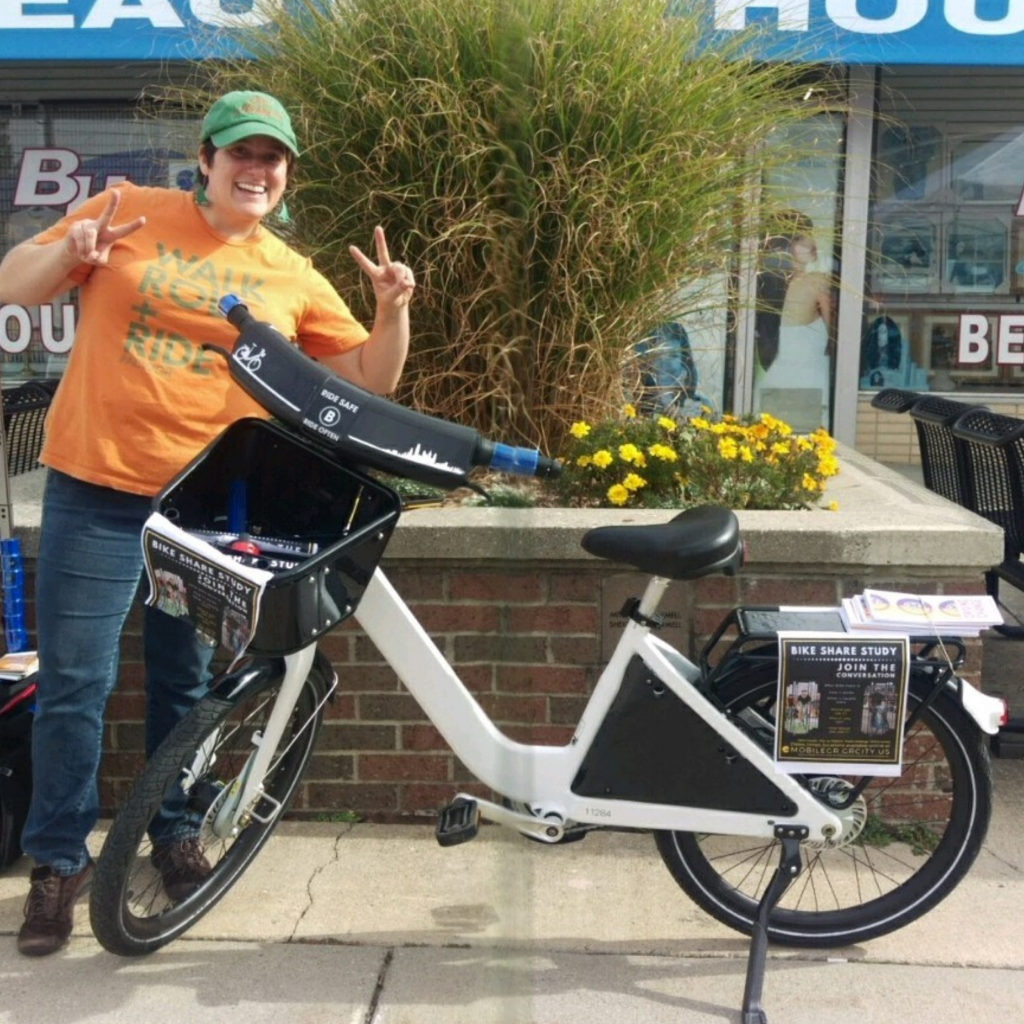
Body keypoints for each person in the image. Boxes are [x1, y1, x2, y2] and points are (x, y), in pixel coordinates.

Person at [0, 90, 415, 957]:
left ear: (285, 173)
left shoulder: (291, 273)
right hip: (96, 488)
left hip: (203, 506)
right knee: (76, 686)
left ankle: (174, 830)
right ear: (207, 158)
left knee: (185, 685)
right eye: (240, 153)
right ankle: (57, 865)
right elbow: (11, 283)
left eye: (271, 158)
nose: (254, 169)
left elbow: (371, 377)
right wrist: (67, 254)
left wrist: (392, 308)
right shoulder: (126, 213)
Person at [754, 211, 833, 430]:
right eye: (800, 238)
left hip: (809, 370)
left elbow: (833, 330)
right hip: (784, 368)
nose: (811, 243)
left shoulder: (818, 281)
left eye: (810, 236)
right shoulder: (767, 283)